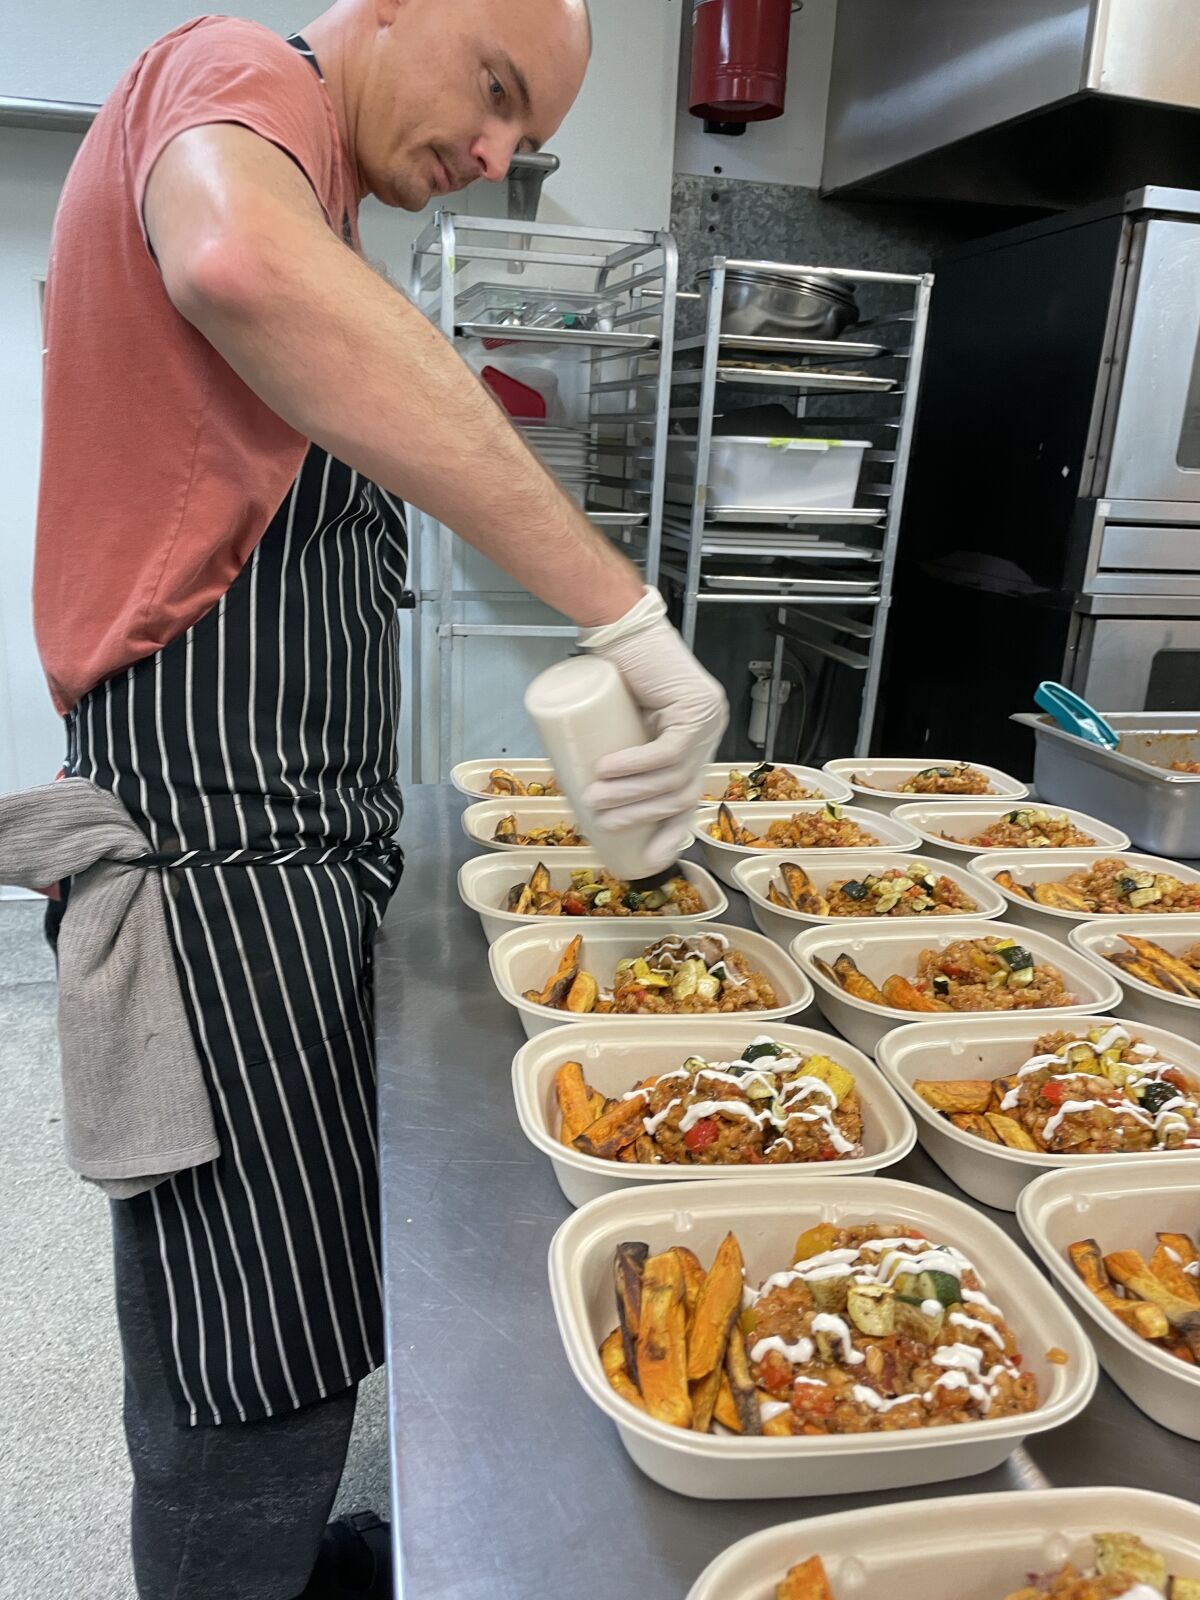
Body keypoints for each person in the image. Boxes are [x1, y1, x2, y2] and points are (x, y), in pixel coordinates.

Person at [31, 1, 728, 1597]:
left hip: (291, 838)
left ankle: (291, 1562)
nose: (492, 156)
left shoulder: (317, 178)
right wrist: (627, 617)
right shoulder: (238, 75)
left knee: (290, 1284)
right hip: (223, 860)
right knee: (245, 1338)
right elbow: (240, 265)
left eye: (522, 140)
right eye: (494, 92)